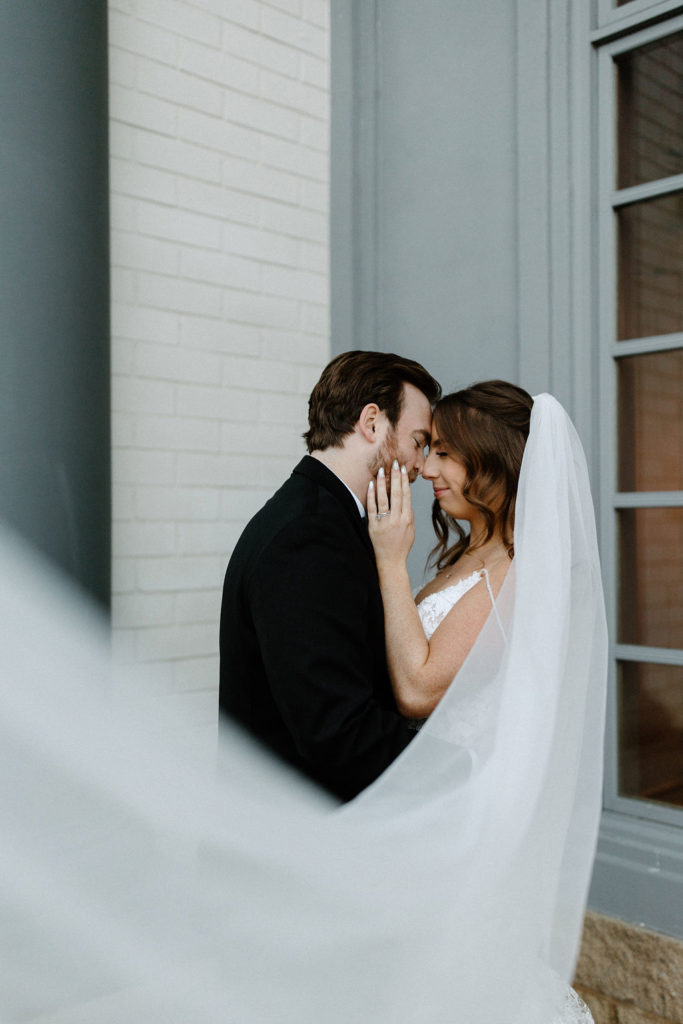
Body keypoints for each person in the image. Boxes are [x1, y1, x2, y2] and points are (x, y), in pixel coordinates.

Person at [219, 350, 441, 801]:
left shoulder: (327, 520)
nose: (421, 466)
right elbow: (336, 732)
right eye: (418, 441)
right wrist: (464, 769)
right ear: (372, 422)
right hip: (296, 838)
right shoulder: (307, 537)